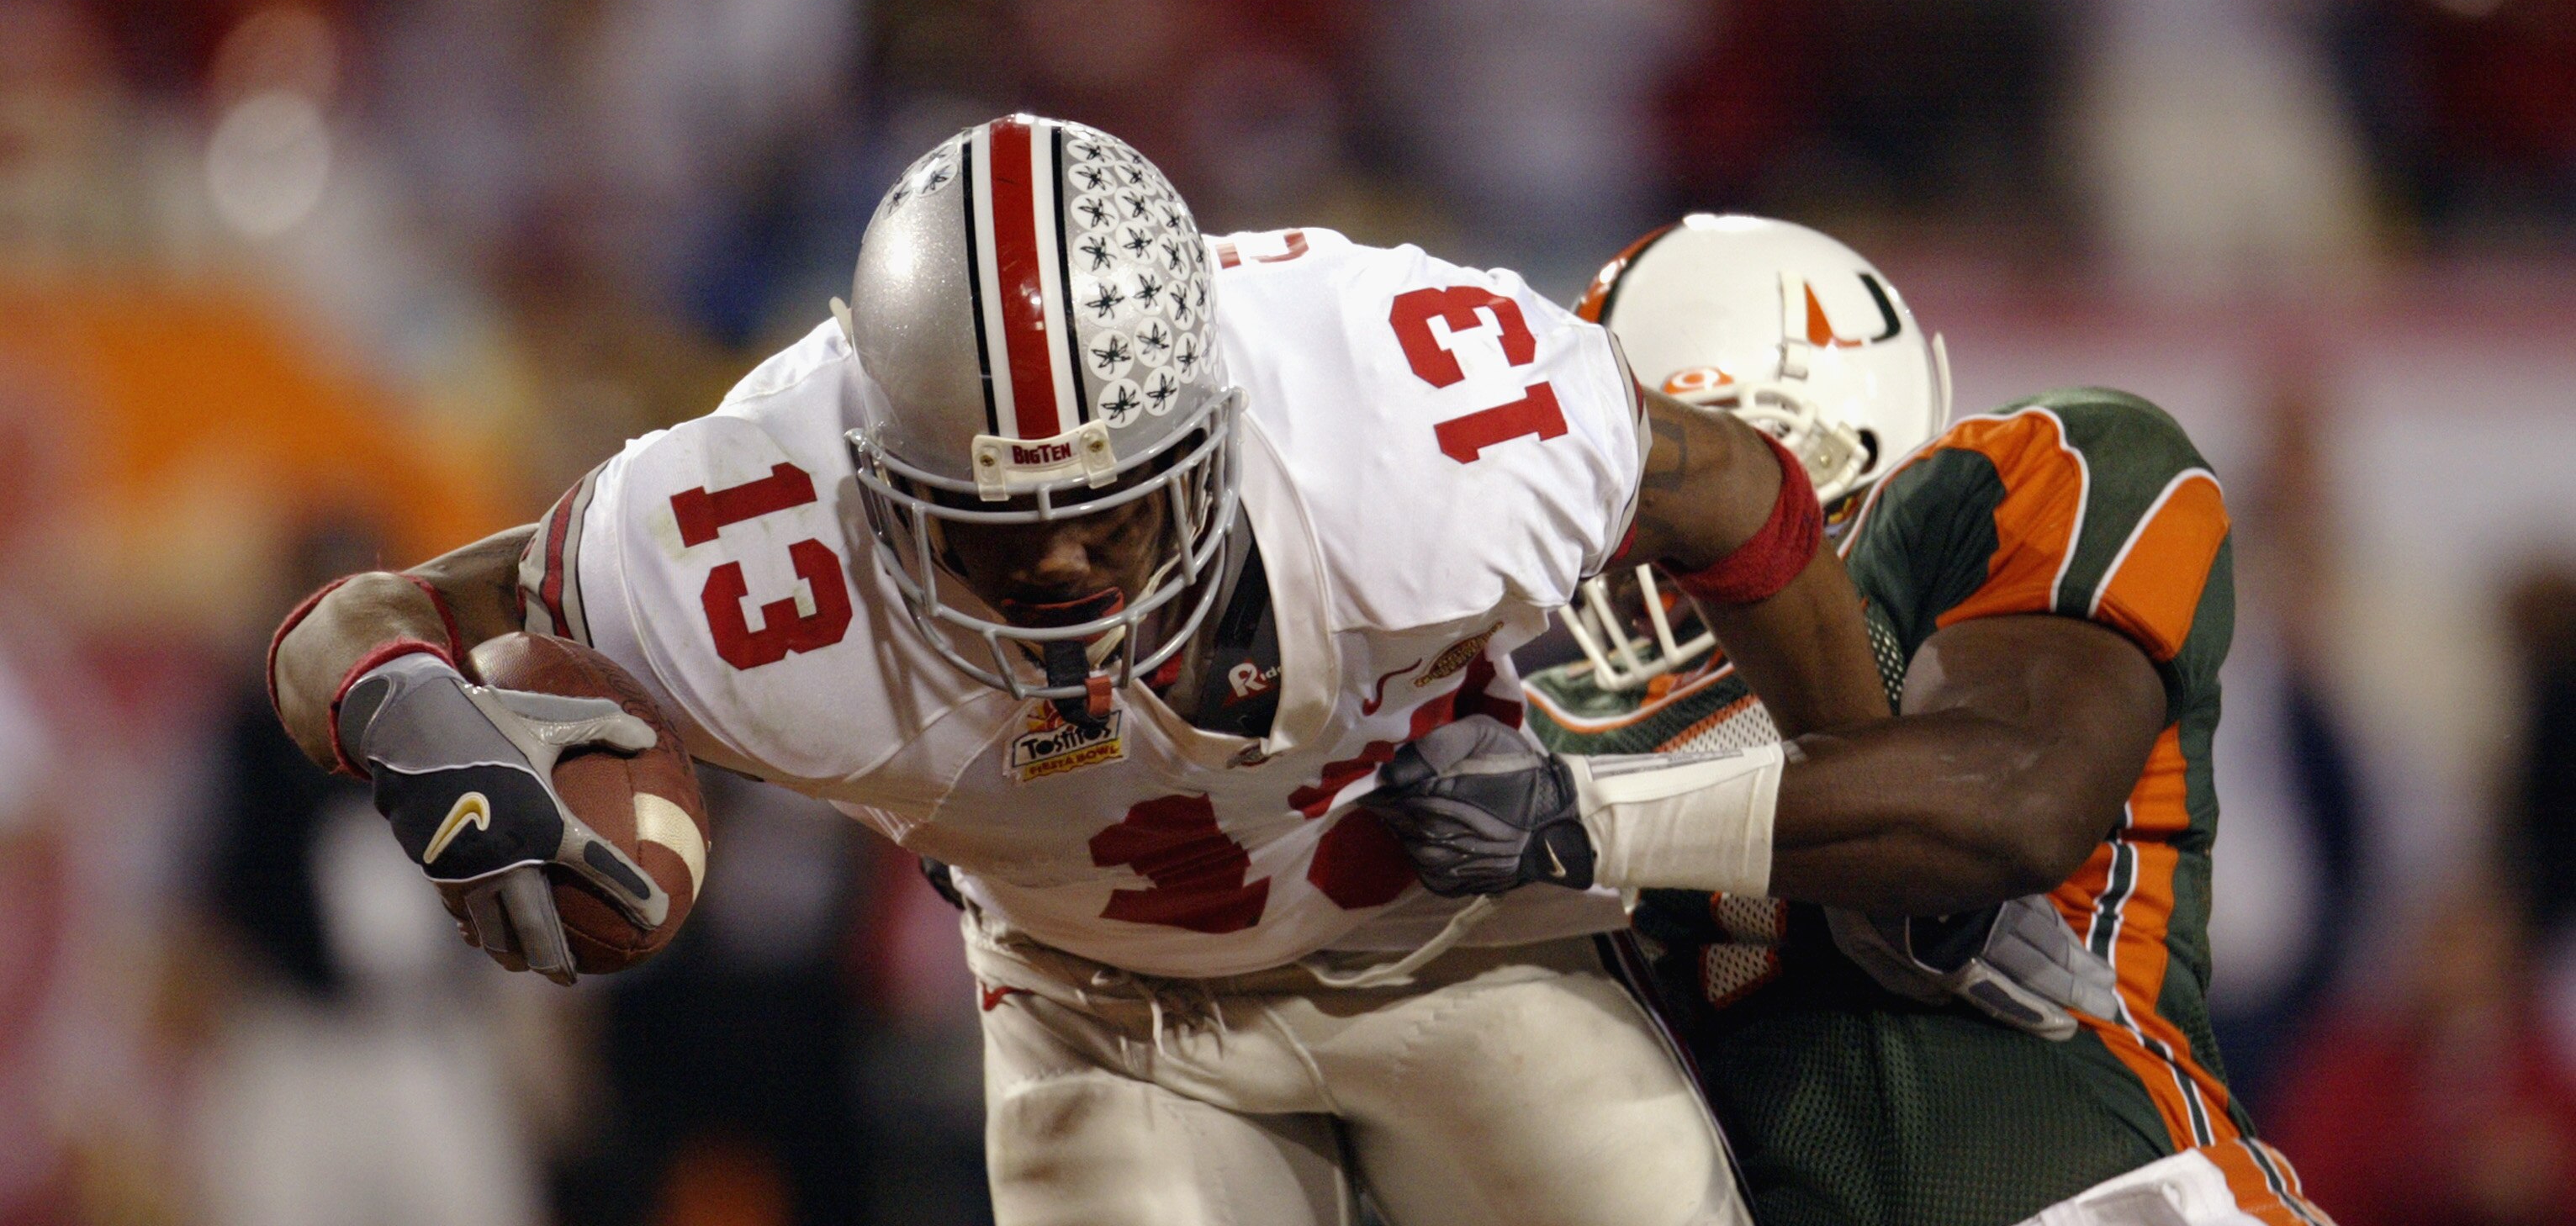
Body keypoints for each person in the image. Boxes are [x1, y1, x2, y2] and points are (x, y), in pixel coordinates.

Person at [264, 117, 1895, 1226]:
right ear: (875, 478)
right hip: (1098, 1019)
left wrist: (1858, 788)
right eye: (989, 528)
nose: (1056, 568)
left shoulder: (1403, 417)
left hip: (1448, 933)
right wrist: (417, 726)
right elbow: (369, 613)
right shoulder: (747, 529)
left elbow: (1737, 490)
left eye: (1107, 512)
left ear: (1216, 430)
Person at [1360, 214, 2332, 1226]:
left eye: (1648, 456)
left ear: (1801, 430)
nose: (1610, 524)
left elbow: (2015, 796)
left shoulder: (2020, 480)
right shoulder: (1531, 727)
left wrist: (1584, 818)